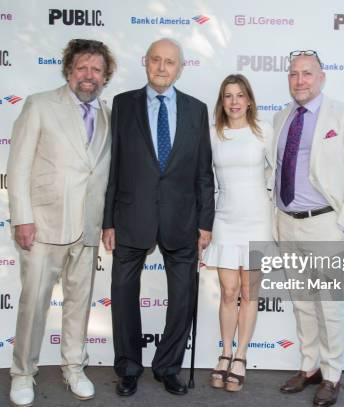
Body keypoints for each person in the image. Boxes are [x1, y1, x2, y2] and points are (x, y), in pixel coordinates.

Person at [101, 38, 214, 397]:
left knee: (183, 298)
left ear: (180, 68)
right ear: (145, 62)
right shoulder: (123, 105)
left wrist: (206, 223)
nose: (162, 67)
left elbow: (203, 173)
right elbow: (113, 167)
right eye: (156, 60)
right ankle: (129, 368)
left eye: (169, 62)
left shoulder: (197, 110)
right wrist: (108, 220)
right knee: (122, 294)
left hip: (182, 220)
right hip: (130, 216)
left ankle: (168, 366)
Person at [6, 39, 116, 406]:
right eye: (82, 68)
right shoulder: (39, 105)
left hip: (87, 226)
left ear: (105, 76)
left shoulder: (106, 114)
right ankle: (23, 373)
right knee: (34, 304)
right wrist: (22, 219)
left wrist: (104, 223)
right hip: (44, 225)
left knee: (79, 303)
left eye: (96, 70)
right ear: (69, 70)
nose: (89, 75)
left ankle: (73, 366)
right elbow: (18, 167)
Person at [269, 50, 344, 407]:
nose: (300, 80)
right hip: (286, 224)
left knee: (328, 305)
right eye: (294, 74)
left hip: (325, 224)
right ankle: (309, 366)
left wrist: (343, 226)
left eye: (307, 74)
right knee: (302, 303)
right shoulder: (281, 117)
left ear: (322, 77)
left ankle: (332, 375)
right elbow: (275, 169)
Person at [202, 74, 273, 392]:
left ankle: (241, 356)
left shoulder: (264, 131)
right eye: (228, 96)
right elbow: (204, 179)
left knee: (249, 292)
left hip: (257, 219)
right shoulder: (213, 134)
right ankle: (225, 352)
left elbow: (280, 170)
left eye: (239, 95)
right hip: (225, 219)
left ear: (249, 100)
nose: (234, 101)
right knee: (229, 292)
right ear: (222, 101)